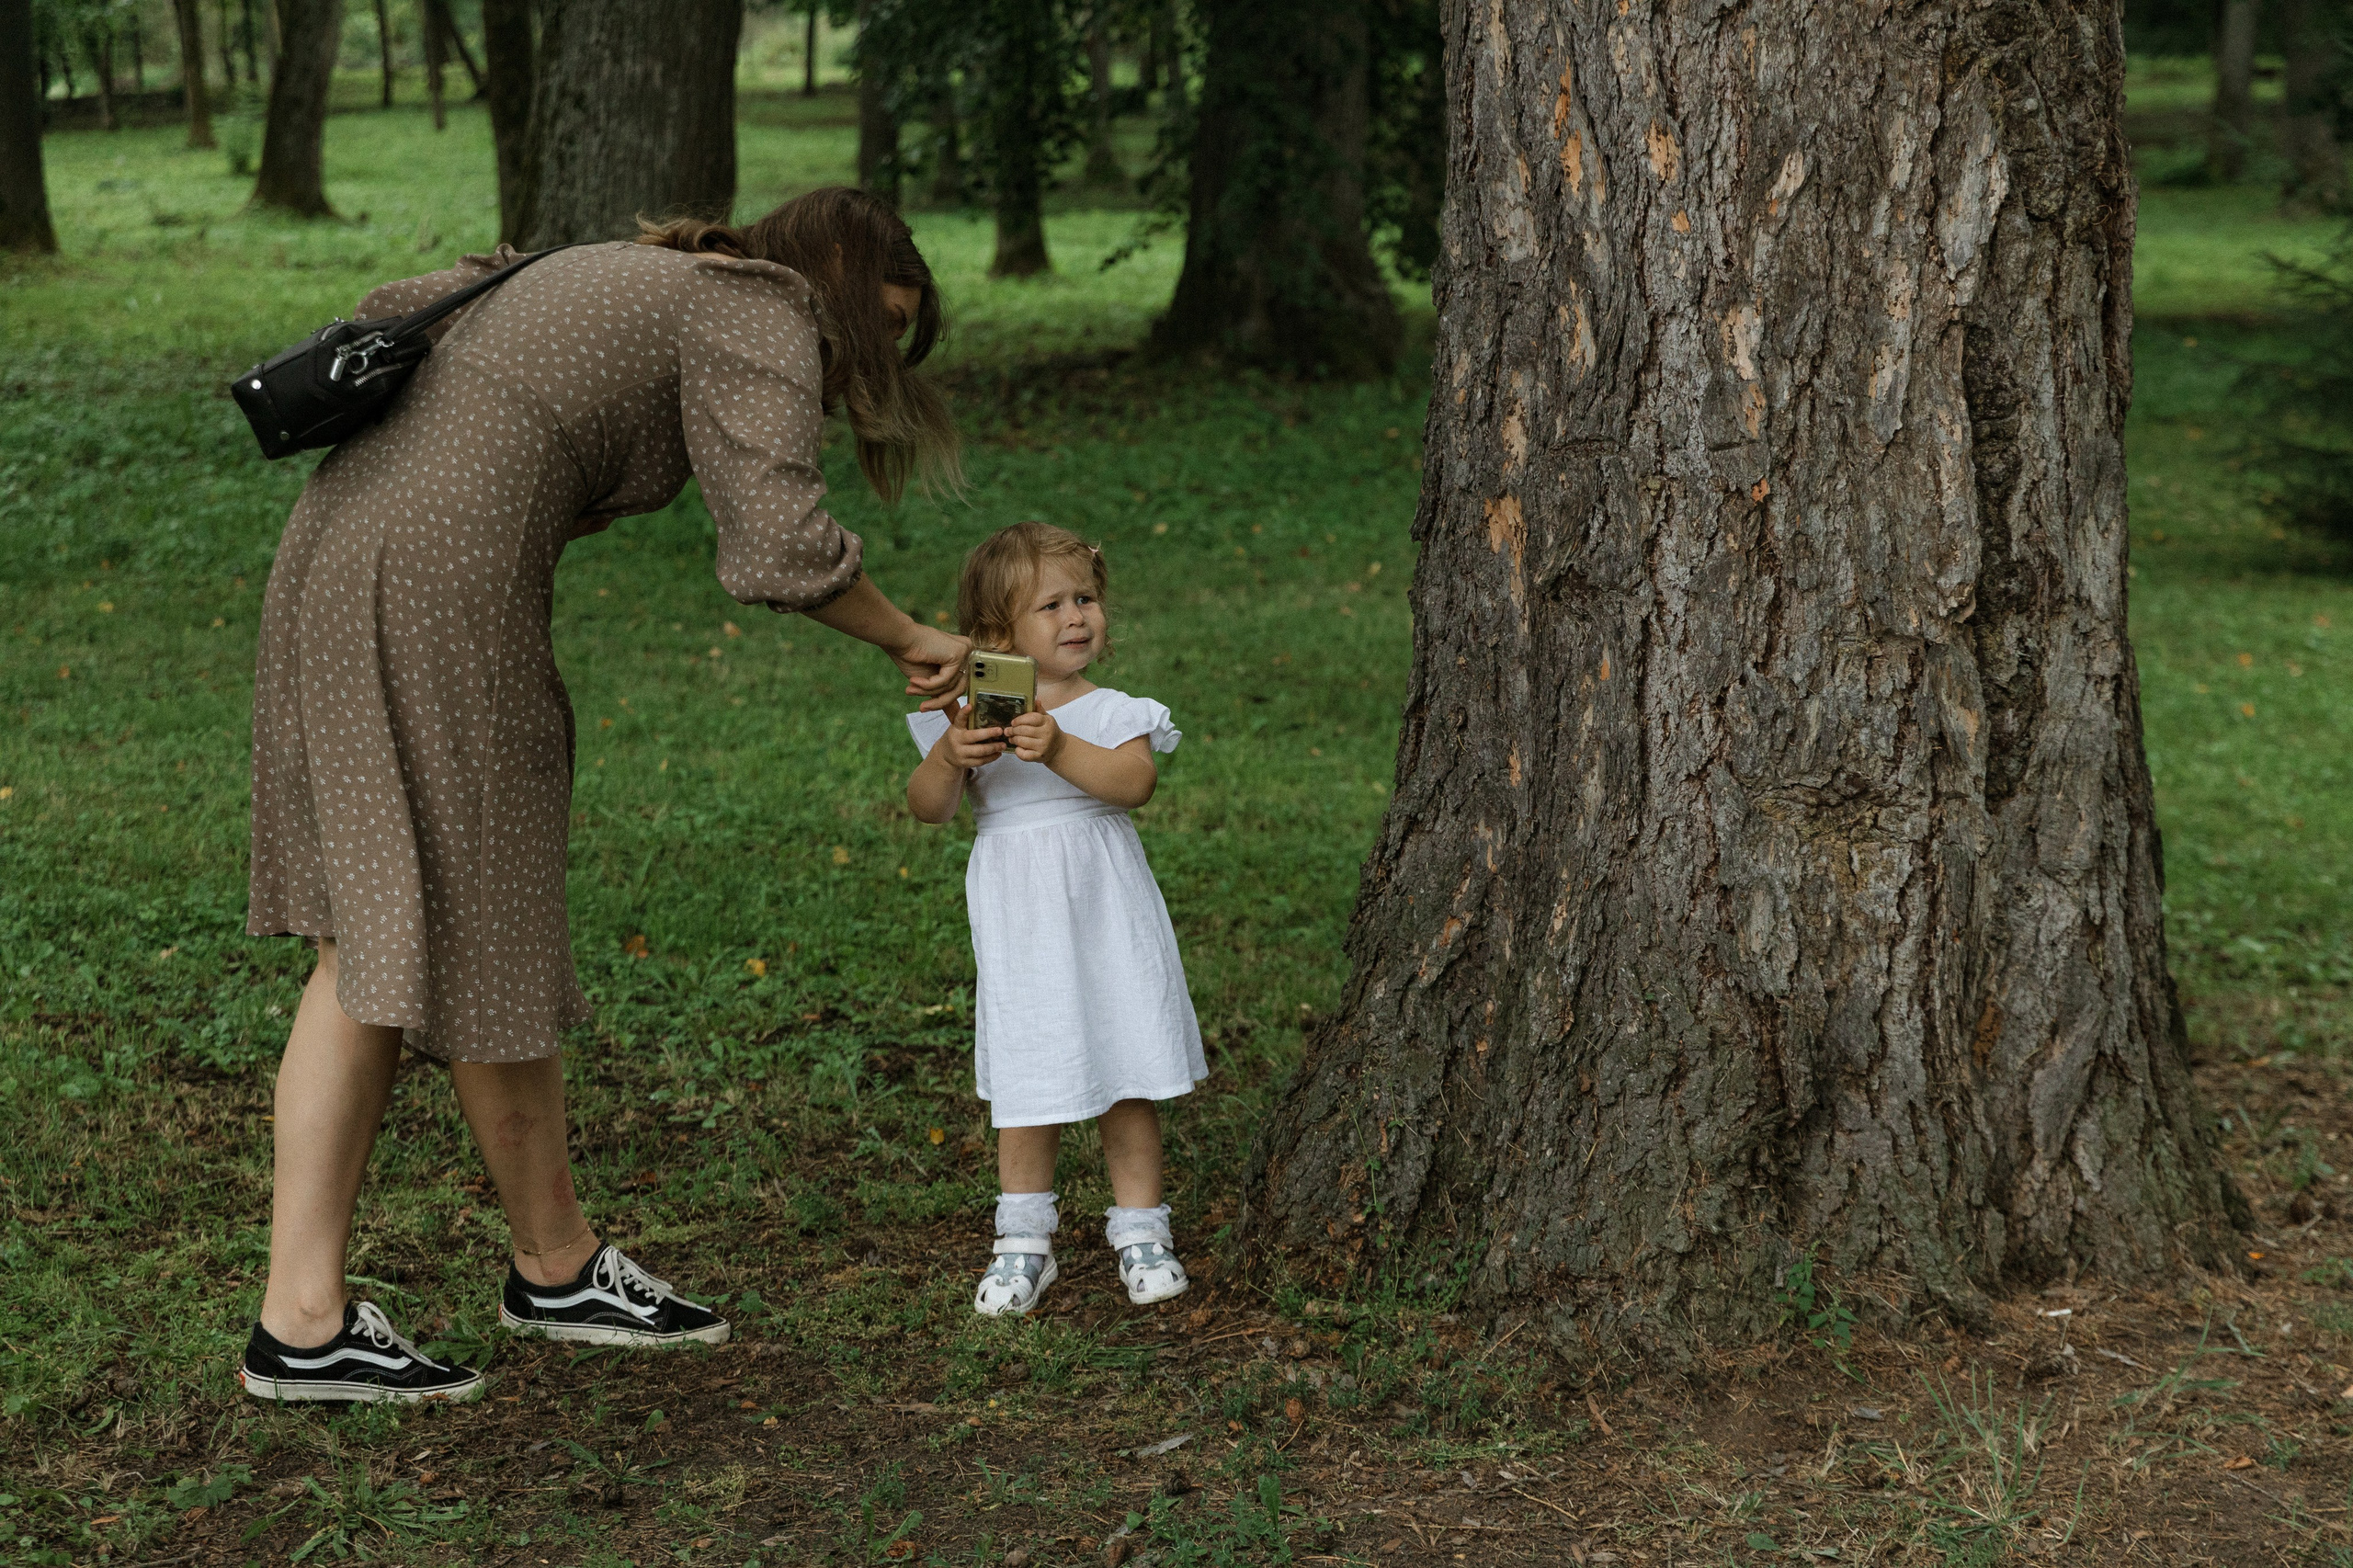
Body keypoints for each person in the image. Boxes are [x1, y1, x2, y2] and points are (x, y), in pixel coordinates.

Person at [237, 187, 968, 1403]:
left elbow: (395, 311)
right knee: (387, 934)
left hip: (340, 543)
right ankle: (303, 1321)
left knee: (457, 919)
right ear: (835, 273)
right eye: (881, 326)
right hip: (433, 585)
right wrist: (910, 635)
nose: (870, 365)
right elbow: (777, 545)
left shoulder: (620, 273)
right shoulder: (758, 303)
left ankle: (555, 1262)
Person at [904, 522, 1206, 1317]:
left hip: (1107, 914)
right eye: (1052, 605)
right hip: (1023, 920)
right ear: (997, 635)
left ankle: (1142, 1230)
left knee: (1126, 1064)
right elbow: (929, 808)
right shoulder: (967, 715)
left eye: (1086, 599)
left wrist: (1061, 747)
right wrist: (949, 758)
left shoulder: (1112, 711)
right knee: (1031, 1072)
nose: (1077, 616)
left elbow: (1135, 783)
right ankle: (1024, 1240)